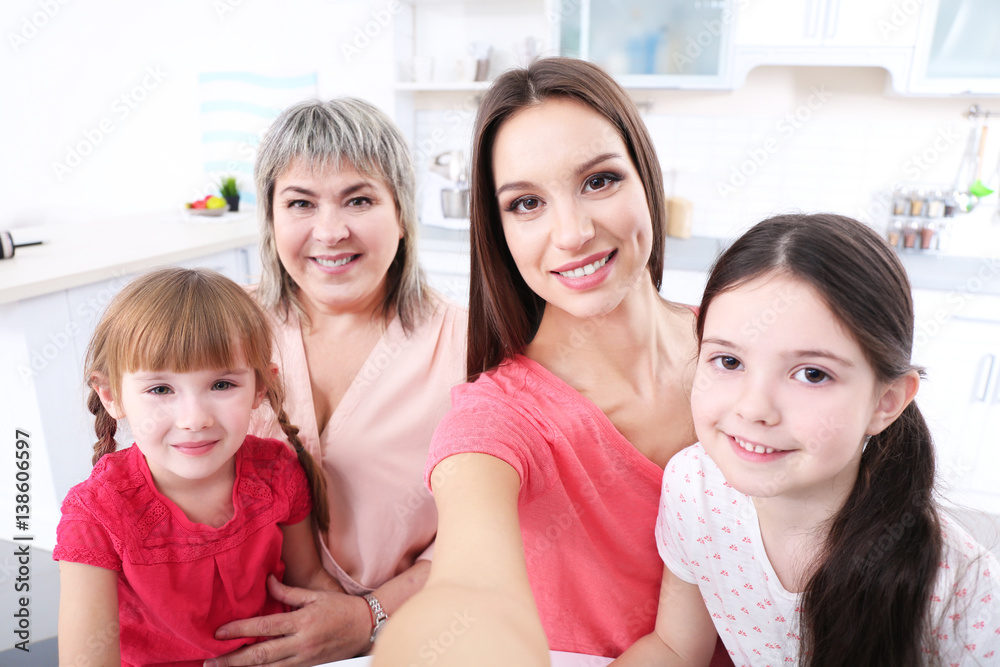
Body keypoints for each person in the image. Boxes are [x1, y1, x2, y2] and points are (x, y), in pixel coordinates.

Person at [376, 57, 731, 667]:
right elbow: (468, 589)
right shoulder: (496, 420)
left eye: (599, 181)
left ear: (646, 178)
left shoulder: (746, 352)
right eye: (526, 204)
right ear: (499, 232)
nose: (572, 233)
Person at [613, 213, 1000, 666]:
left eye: (812, 374)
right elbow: (676, 648)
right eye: (729, 362)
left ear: (886, 401)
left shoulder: (962, 588)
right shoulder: (694, 486)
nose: (754, 408)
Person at [209, 98, 467, 666]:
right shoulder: (220, 328)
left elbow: (492, 533)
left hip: (407, 643)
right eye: (300, 203)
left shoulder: (470, 348)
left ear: (402, 213)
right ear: (271, 218)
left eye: (359, 199)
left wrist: (369, 616)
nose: (329, 231)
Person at [54, 267, 340, 666]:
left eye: (222, 385)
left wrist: (363, 629)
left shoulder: (277, 471)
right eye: (160, 389)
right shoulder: (95, 515)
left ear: (260, 388)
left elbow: (308, 581)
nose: (194, 419)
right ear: (111, 396)